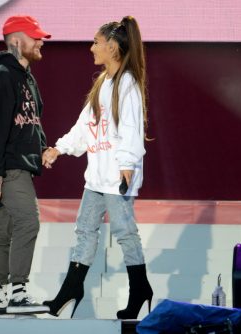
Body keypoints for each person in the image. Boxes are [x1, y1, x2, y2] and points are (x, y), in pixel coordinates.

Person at [42, 16, 153, 319]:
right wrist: (59, 148)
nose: (92, 48)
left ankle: (140, 289)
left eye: (96, 42)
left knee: (124, 232)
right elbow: (84, 127)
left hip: (116, 175)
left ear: (113, 47)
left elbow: (132, 127)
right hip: (96, 177)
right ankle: (71, 290)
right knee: (84, 231)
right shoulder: (102, 83)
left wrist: (128, 165)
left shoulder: (127, 83)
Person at [0, 15, 51, 316]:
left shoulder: (26, 77)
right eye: (35, 37)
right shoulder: (1, 77)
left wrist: (42, 147)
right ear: (17, 41)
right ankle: (18, 292)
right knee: (28, 222)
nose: (41, 41)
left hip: (20, 164)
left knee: (5, 231)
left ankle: (0, 299)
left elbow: (34, 118)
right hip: (9, 166)